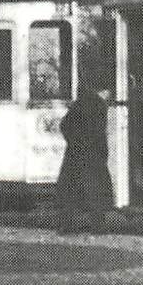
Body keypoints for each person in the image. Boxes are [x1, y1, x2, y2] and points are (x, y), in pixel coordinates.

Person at [55, 89, 113, 236]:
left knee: (70, 192)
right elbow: (99, 133)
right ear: (104, 92)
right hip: (92, 156)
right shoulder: (99, 106)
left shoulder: (80, 104)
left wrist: (74, 142)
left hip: (74, 155)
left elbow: (64, 125)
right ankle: (98, 226)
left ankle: (66, 226)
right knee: (95, 192)